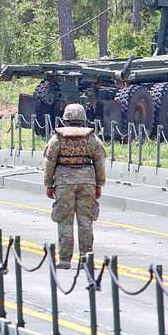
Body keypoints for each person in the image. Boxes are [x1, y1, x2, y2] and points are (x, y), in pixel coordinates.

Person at [43, 103, 107, 270]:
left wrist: (49, 184)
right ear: (83, 119)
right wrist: (99, 184)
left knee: (65, 221)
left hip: (63, 183)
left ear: (65, 120)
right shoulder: (92, 138)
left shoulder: (57, 139)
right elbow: (99, 162)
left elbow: (49, 163)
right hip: (87, 182)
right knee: (86, 221)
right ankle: (86, 259)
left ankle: (64, 260)